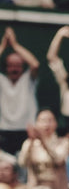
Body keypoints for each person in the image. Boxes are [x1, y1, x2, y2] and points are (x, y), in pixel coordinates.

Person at [18, 109, 69, 189]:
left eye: (50, 120)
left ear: (56, 124)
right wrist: (31, 143)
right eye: (42, 120)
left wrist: (43, 141)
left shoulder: (63, 142)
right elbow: (22, 163)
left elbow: (58, 160)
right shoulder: (29, 143)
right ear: (36, 124)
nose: (46, 124)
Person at [0, 27, 40, 155]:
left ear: (22, 67)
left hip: (26, 130)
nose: (14, 69)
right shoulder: (2, 80)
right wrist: (3, 45)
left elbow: (35, 64)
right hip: (4, 130)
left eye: (17, 66)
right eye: (11, 65)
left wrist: (15, 45)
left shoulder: (28, 79)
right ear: (6, 67)